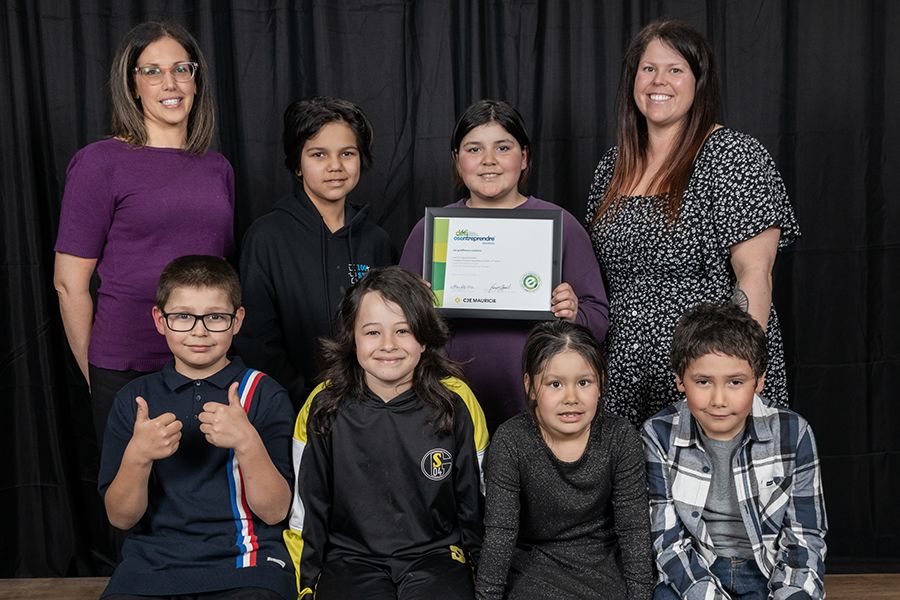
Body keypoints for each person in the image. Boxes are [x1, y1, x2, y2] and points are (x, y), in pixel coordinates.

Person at [585, 20, 800, 429]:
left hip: (709, 374)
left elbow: (755, 273)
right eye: (648, 69)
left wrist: (739, 371)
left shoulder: (733, 156)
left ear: (699, 82)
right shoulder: (612, 168)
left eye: (675, 69)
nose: (658, 81)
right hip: (625, 376)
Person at [53, 21, 234, 442]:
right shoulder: (100, 163)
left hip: (207, 362)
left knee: (203, 495)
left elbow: (217, 269)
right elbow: (68, 283)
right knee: (132, 501)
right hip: (126, 364)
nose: (169, 82)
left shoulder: (217, 167)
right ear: (132, 84)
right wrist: (95, 372)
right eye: (151, 71)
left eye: (181, 69)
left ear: (196, 79)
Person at [400, 99, 609, 432]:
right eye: (473, 149)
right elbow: (397, 329)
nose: (488, 161)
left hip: (537, 408)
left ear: (524, 158)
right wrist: (415, 307)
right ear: (457, 160)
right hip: (447, 405)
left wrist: (573, 312)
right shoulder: (431, 232)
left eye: (503, 147)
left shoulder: (560, 226)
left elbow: (598, 322)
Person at [98, 256, 295, 599]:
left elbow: (276, 511)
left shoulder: (263, 393)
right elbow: (120, 518)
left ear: (237, 321)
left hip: (246, 564)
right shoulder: (136, 399)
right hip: (153, 565)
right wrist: (138, 457)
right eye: (183, 317)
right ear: (160, 320)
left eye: (216, 317)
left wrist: (247, 443)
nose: (199, 330)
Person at [285, 266, 488, 599]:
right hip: (350, 559)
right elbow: (308, 510)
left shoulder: (456, 401)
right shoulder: (323, 405)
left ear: (424, 338)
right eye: (372, 332)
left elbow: (476, 501)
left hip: (436, 556)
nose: (388, 345)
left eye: (403, 331)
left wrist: (483, 578)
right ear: (352, 337)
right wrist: (307, 585)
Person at [643, 302, 827, 599]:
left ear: (759, 381)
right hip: (694, 569)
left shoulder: (794, 433)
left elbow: (804, 539)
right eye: (703, 382)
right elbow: (667, 541)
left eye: (735, 382)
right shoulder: (658, 434)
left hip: (767, 568)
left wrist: (792, 592)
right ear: (680, 380)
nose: (718, 399)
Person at [475, 320, 654, 599]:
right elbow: (500, 533)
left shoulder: (620, 438)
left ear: (601, 384)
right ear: (531, 387)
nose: (571, 398)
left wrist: (641, 596)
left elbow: (634, 530)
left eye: (584, 382)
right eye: (555, 384)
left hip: (602, 565)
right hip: (533, 565)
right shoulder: (511, 440)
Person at [238, 97, 393, 410]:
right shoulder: (267, 237)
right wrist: (307, 399)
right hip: (290, 409)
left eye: (347, 154)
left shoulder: (377, 241)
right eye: (319, 154)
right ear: (298, 164)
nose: (335, 166)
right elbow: (256, 341)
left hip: (369, 409)